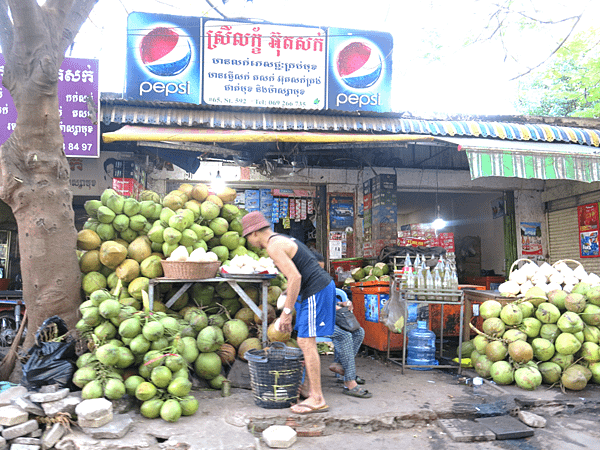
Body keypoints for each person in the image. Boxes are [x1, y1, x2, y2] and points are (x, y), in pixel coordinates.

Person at [242, 211, 335, 415]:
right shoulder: (281, 239)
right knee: (305, 340)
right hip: (315, 288)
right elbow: (301, 270)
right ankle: (311, 391)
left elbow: (295, 277)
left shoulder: (274, 246)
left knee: (305, 341)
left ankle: (317, 398)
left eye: (247, 236)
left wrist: (286, 312)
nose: (248, 241)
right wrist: (287, 296)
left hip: (316, 290)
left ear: (255, 233)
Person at [310, 250, 371, 399]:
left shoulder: (321, 280)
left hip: (327, 319)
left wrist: (341, 303)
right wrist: (332, 307)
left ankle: (340, 365)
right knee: (344, 335)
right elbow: (310, 305)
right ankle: (350, 382)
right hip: (313, 322)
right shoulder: (304, 281)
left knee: (358, 332)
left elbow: (328, 300)